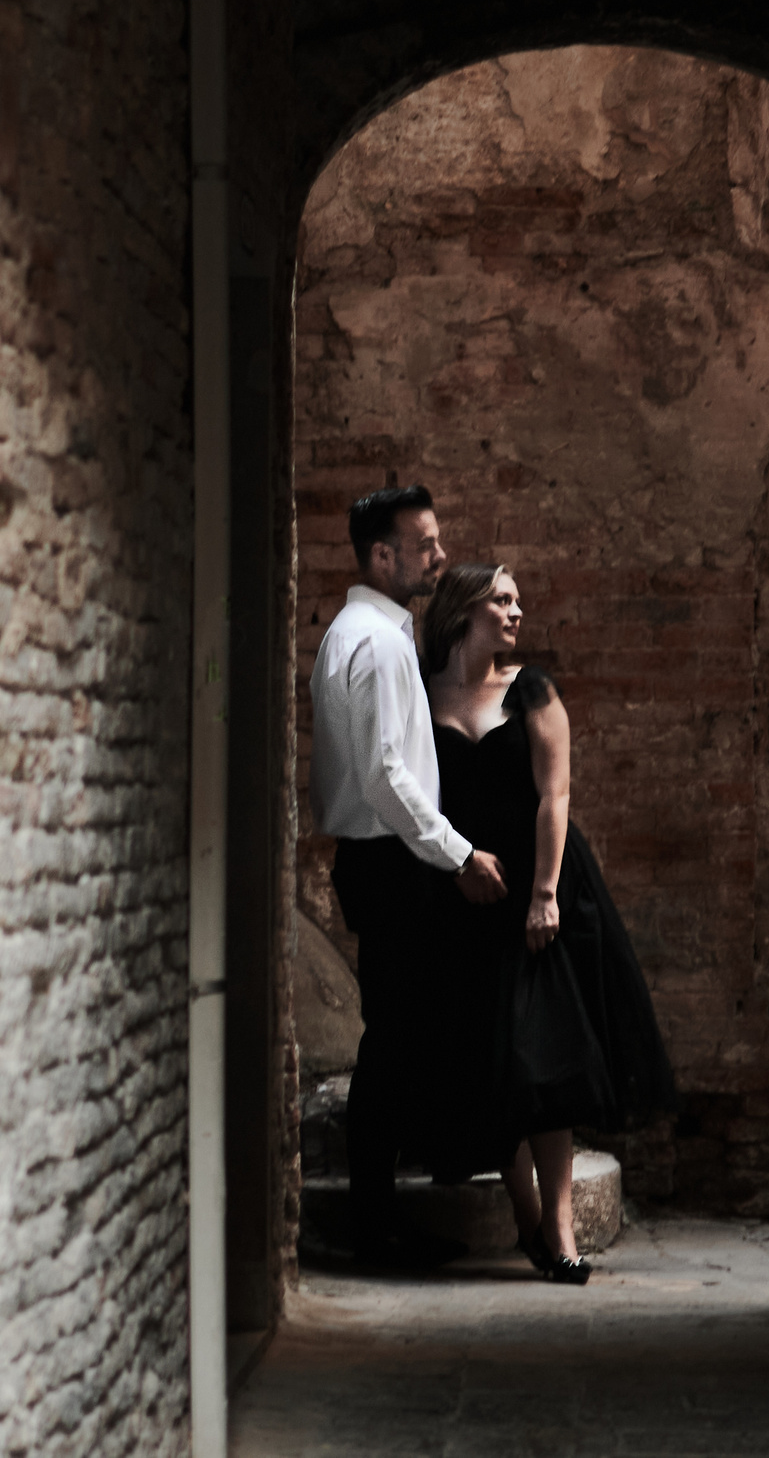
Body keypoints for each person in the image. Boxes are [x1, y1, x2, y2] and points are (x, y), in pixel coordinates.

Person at [421, 561, 680, 1286]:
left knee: (546, 1063)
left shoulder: (530, 687)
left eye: (518, 600)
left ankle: (560, 1227)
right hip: (462, 891)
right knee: (488, 1061)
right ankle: (527, 1214)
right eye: (502, 599)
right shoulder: (420, 687)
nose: (516, 611)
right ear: (465, 609)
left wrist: (543, 893)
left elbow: (554, 792)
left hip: (538, 889)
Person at [309, 486, 509, 1270]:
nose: (438, 554)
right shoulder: (383, 644)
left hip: (376, 859)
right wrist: (458, 854)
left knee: (398, 1039)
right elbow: (389, 777)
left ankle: (384, 1216)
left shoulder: (347, 633)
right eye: (424, 544)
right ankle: (378, 1227)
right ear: (382, 555)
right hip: (392, 861)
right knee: (392, 1045)